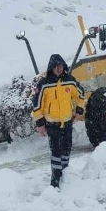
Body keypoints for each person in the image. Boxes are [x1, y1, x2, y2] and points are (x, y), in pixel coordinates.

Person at [32, 54, 85, 189]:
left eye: (61, 66)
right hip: (52, 124)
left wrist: (79, 110)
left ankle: (65, 174)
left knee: (66, 149)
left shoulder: (70, 81)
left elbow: (80, 95)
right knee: (56, 151)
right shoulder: (44, 84)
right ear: (51, 67)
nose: (59, 69)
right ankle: (55, 178)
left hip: (67, 123)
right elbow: (37, 104)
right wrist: (40, 124)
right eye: (56, 66)